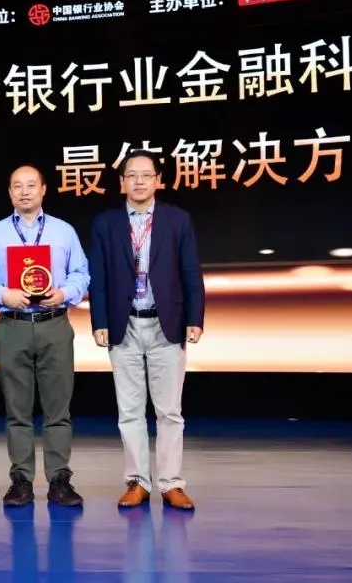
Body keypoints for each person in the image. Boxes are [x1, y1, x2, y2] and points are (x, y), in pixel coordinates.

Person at [88, 149, 204, 510]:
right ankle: (137, 481)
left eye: (146, 175)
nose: (138, 181)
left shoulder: (177, 220)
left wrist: (195, 318)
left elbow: (190, 272)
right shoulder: (106, 223)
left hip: (166, 323)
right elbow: (98, 277)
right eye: (131, 175)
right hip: (123, 325)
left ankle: (171, 483)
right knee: (129, 410)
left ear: (158, 180)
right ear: (122, 182)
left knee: (169, 411)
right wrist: (100, 321)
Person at [0, 164, 90, 508]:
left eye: (31, 185)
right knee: (17, 409)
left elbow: (81, 273)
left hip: (55, 323)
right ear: (10, 192)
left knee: (58, 408)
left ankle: (59, 479)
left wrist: (65, 292)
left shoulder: (63, 231)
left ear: (43, 190)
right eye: (17, 186)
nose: (24, 192)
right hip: (12, 325)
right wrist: (3, 294)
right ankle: (21, 480)